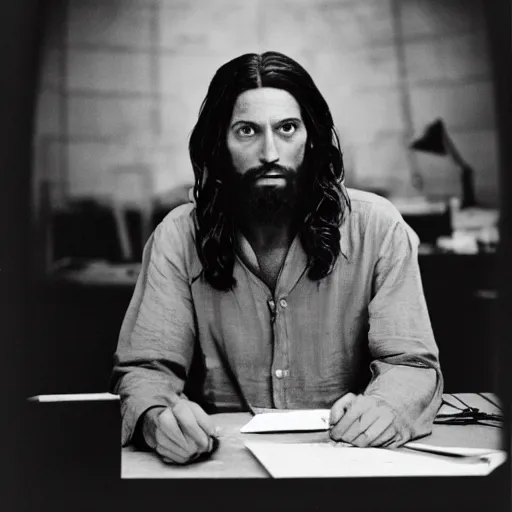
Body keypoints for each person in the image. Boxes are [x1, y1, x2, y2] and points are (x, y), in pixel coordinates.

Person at [111, 51, 443, 465]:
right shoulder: (177, 237)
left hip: (352, 462)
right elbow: (145, 371)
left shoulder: (378, 228)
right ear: (220, 145)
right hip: (220, 472)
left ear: (312, 138)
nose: (270, 151)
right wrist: (156, 419)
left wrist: (387, 408)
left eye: (287, 128)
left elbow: (412, 364)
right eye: (247, 130)